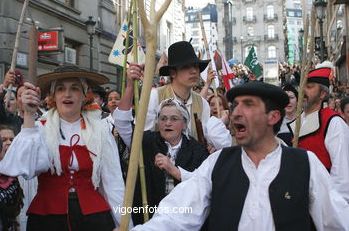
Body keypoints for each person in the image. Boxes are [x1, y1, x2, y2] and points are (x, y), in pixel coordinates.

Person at [130, 81, 349, 230]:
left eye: (249, 105)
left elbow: (337, 222)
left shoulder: (305, 164)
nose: (235, 112)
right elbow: (176, 215)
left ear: (273, 117)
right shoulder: (217, 164)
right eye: (235, 105)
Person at [0, 66, 127, 230]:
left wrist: (124, 225)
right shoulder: (38, 128)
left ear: (84, 96)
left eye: (74, 88)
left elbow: (113, 183)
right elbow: (20, 168)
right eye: (60, 89)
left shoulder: (100, 131)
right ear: (53, 96)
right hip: (48, 219)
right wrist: (29, 118)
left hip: (93, 218)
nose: (67, 94)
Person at [113, 69, 208, 225]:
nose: (167, 123)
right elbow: (122, 123)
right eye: (163, 118)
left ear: (184, 124)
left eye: (174, 118)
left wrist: (175, 171)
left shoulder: (197, 150)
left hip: (183, 220)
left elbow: (204, 185)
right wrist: (130, 86)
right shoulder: (147, 142)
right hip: (148, 218)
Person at [130, 41, 231, 151]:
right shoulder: (154, 96)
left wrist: (211, 146)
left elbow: (206, 139)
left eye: (196, 66)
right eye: (186, 67)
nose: (194, 71)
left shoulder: (202, 103)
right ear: (173, 72)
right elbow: (142, 137)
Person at [287, 67, 349, 202]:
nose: (302, 90)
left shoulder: (334, 123)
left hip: (323, 202)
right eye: (302, 86)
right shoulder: (298, 121)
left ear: (322, 94)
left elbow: (342, 174)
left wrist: (337, 210)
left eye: (309, 87)